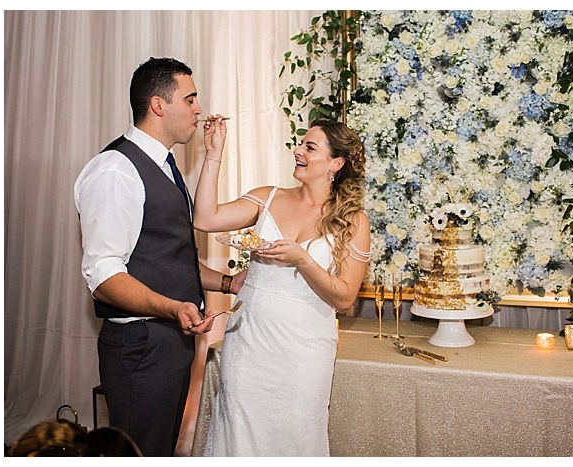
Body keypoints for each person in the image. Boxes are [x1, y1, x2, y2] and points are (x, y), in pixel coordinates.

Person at [74, 57, 242, 456]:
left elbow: (167, 256)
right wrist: (172, 308)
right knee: (139, 452)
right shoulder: (115, 171)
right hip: (140, 346)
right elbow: (103, 275)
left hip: (168, 343)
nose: (198, 109)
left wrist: (225, 283)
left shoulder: (166, 166)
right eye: (191, 98)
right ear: (158, 105)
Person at [193, 117, 370, 456]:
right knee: (240, 432)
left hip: (304, 352)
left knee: (296, 435)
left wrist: (302, 259)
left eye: (309, 147)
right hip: (249, 343)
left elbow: (345, 296)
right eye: (300, 144)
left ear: (335, 163)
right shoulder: (268, 197)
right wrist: (213, 155)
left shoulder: (354, 221)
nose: (297, 150)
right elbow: (205, 219)